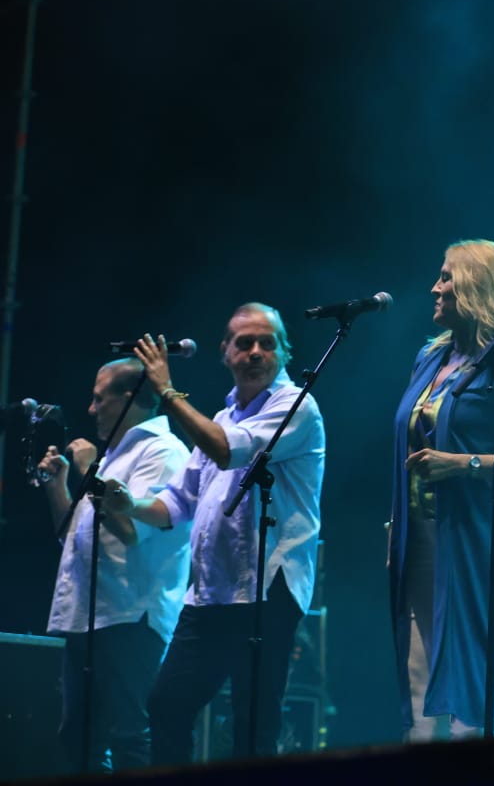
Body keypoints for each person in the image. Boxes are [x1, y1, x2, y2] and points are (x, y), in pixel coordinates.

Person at [102, 303, 326, 762]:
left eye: (267, 343)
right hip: (210, 595)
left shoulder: (295, 406)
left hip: (266, 591)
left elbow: (228, 452)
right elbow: (176, 504)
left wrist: (167, 391)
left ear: (285, 352)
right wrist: (129, 505)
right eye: (244, 343)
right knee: (166, 704)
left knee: (251, 725)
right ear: (225, 352)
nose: (256, 352)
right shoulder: (220, 419)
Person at [389, 240, 494, 739]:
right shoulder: (430, 357)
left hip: (479, 538)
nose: (434, 288)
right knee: (421, 678)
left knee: (479, 681)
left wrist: (465, 464)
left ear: (476, 286)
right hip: (420, 537)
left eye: (446, 277)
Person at [38, 358, 190, 773]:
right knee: (78, 737)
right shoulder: (116, 456)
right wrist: (58, 486)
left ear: (128, 398)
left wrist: (89, 472)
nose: (91, 409)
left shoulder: (163, 451)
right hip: (89, 615)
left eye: (99, 399)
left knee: (131, 736)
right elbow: (74, 536)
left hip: (130, 616)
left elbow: (130, 530)